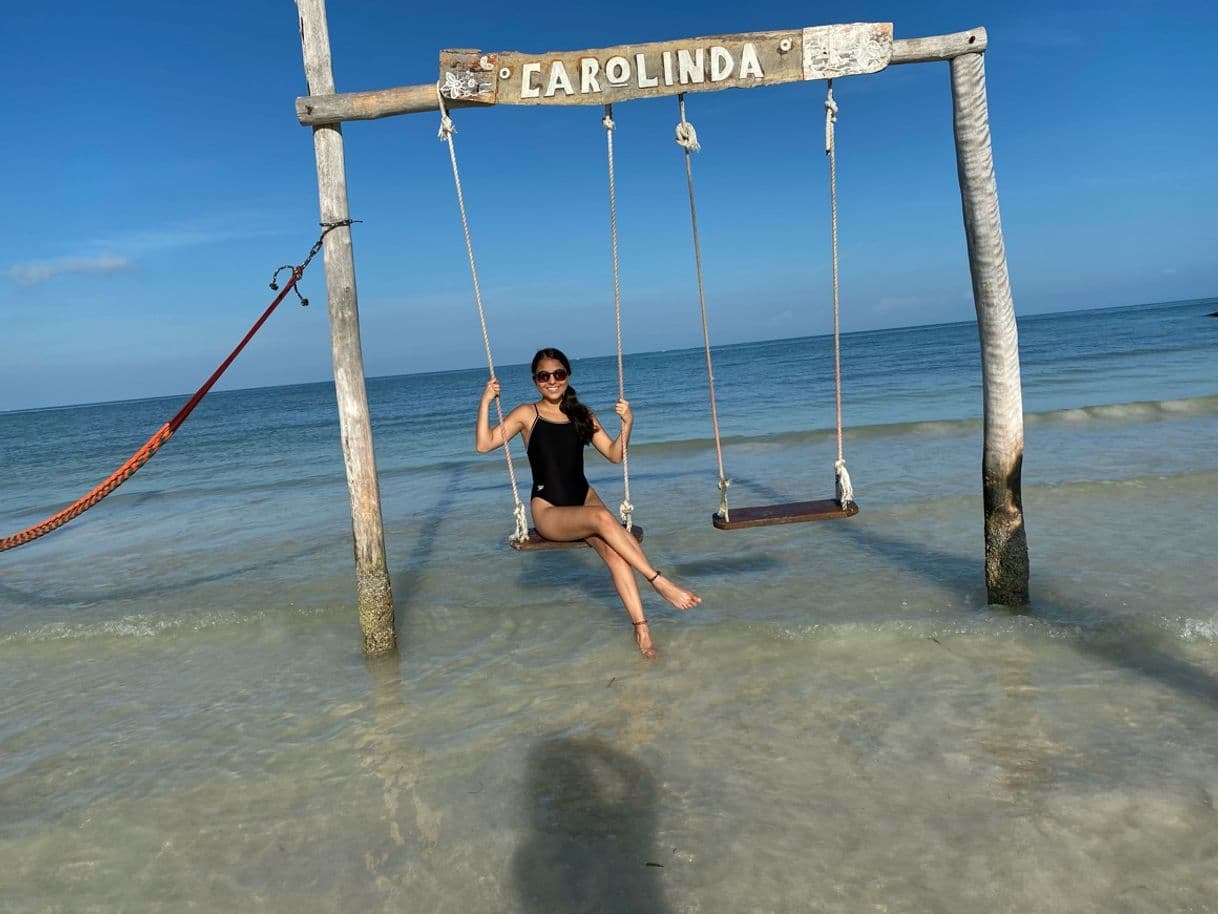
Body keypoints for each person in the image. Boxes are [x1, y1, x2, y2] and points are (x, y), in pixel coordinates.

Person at [476, 347, 700, 659]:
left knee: (616, 555)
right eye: (544, 376)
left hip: (583, 498)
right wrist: (487, 400)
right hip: (549, 510)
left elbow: (614, 454)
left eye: (558, 374)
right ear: (535, 380)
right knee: (602, 520)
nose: (552, 381)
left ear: (567, 376)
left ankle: (642, 630)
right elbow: (484, 444)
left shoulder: (582, 414)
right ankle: (659, 581)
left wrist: (628, 424)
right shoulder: (527, 414)